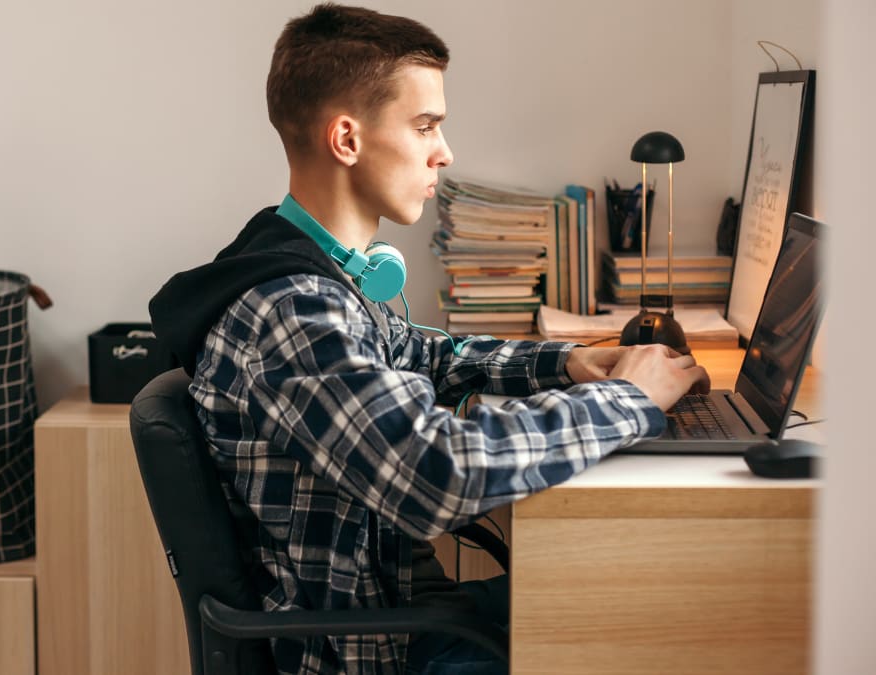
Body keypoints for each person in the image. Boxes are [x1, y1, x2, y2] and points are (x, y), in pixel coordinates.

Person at [148, 4, 709, 674]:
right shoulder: (292, 310)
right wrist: (627, 398)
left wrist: (569, 362)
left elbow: (423, 355)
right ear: (348, 139)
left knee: (646, 602)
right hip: (369, 651)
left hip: (399, 614)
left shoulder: (309, 265)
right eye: (424, 126)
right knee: (661, 625)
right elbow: (440, 470)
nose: (444, 151)